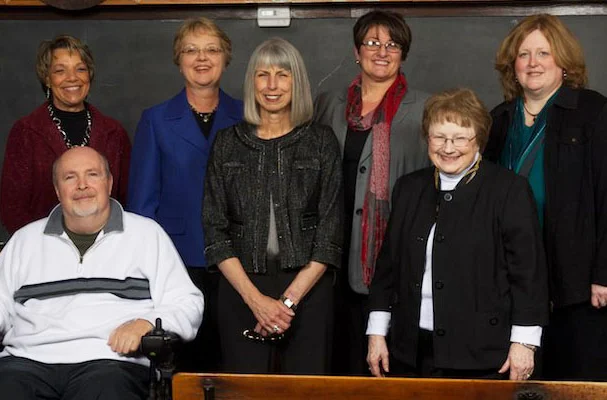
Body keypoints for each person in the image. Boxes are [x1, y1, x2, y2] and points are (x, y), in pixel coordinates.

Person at [366, 88, 548, 380]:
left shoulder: (508, 191)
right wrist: (376, 333)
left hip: (482, 354)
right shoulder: (409, 188)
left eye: (460, 138)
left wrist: (524, 343)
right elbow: (388, 267)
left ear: (479, 139)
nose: (448, 148)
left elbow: (528, 274)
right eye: (439, 137)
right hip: (410, 352)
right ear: (428, 138)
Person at [0, 146, 204, 400]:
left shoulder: (146, 234)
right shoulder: (24, 240)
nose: (82, 185)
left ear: (109, 183)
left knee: (105, 389)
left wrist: (146, 323)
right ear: (57, 190)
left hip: (110, 361)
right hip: (27, 361)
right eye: (70, 177)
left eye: (92, 175)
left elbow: (187, 303)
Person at [203, 37, 343, 374]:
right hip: (242, 288)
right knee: (243, 393)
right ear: (251, 82)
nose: (272, 85)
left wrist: (287, 303)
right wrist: (256, 302)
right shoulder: (227, 143)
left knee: (306, 391)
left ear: (297, 82)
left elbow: (330, 232)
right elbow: (214, 229)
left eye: (283, 75)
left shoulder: (321, 141)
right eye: (262, 75)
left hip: (307, 289)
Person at [485, 14, 607, 381]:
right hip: (511, 277)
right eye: (524, 55)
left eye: (543, 53)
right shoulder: (499, 119)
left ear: (564, 63)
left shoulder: (592, 111)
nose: (533, 63)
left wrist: (604, 272)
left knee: (576, 378)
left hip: (576, 281)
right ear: (513, 65)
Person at [314, 10, 429, 375]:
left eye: (393, 44)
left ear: (403, 53)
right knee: (337, 359)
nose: (382, 51)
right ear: (356, 51)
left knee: (385, 365)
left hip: (391, 251)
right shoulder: (327, 105)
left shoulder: (425, 108)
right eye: (373, 42)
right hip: (330, 249)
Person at [127, 17, 242, 372]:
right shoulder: (156, 120)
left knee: (234, 358)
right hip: (178, 261)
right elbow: (142, 206)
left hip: (238, 258)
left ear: (226, 58)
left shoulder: (247, 115)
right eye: (191, 50)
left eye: (211, 50)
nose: (202, 58)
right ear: (179, 60)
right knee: (185, 363)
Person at [0, 35, 131, 235]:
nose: (72, 78)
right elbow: (12, 207)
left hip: (107, 248)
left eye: (80, 69)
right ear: (47, 79)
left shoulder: (114, 133)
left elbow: (126, 200)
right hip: (42, 248)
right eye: (60, 71)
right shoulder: (26, 132)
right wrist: (39, 246)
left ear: (89, 75)